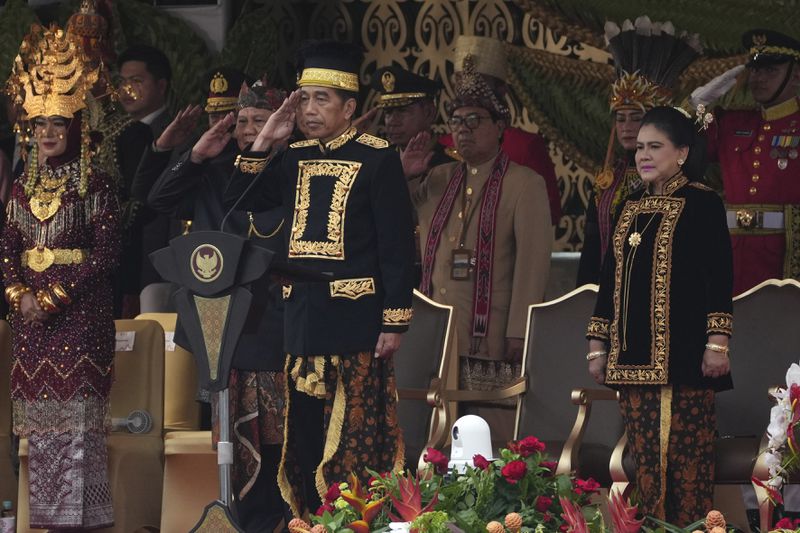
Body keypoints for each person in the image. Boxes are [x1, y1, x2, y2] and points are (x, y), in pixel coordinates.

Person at [217, 40, 415, 516]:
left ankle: (354, 521)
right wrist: (268, 136)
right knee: (302, 438)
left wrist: (395, 321)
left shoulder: (378, 157)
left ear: (349, 107)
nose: (309, 109)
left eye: (322, 99)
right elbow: (238, 198)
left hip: (355, 319)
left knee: (350, 438)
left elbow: (397, 246)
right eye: (304, 98)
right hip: (301, 318)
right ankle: (308, 521)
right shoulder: (294, 155)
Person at [149, 79, 288, 531]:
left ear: (281, 125)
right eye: (242, 122)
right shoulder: (216, 168)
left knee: (274, 436)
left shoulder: (290, 170)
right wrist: (194, 156)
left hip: (270, 320)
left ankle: (276, 516)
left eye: (259, 121)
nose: (249, 130)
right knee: (226, 433)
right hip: (218, 323)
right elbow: (158, 200)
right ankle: (235, 515)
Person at [586, 106, 733, 526]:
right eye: (640, 148)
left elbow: (718, 278)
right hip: (632, 362)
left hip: (684, 361)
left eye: (656, 147)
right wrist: (597, 345)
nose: (644, 156)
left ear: (682, 152)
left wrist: (717, 342)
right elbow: (608, 278)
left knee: (683, 468)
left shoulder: (702, 203)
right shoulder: (629, 205)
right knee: (646, 467)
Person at [2, 24, 121, 529]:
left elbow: (106, 255)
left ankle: (79, 524)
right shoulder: (19, 189)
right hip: (32, 325)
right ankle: (47, 523)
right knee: (41, 437)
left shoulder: (96, 185)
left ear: (77, 128)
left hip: (81, 318)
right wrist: (16, 294)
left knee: (77, 433)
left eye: (58, 123)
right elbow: (7, 249)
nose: (48, 133)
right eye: (40, 124)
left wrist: (51, 296)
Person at [403, 55, 552, 442]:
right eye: (457, 122)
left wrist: (521, 331)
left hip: (492, 332)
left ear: (500, 126)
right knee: (433, 430)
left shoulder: (524, 184)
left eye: (475, 121)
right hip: (439, 328)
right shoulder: (438, 177)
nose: (463, 131)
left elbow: (532, 266)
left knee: (492, 432)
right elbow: (395, 220)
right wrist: (405, 174)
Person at [577, 16, 702, 285]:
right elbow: (590, 255)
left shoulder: (680, 180)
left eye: (636, 117)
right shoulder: (607, 183)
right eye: (620, 119)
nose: (626, 126)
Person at [690, 30, 800, 294]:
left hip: (785, 257)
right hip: (732, 253)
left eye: (770, 71)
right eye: (754, 71)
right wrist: (696, 108)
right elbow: (682, 152)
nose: (758, 79)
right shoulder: (733, 123)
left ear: (796, 75)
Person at [438, 35, 562, 225]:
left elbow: (548, 212)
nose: (470, 89)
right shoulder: (442, 145)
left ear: (502, 90)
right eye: (464, 81)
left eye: (479, 82)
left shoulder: (526, 146)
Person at [116, 44, 173, 313]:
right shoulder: (115, 134)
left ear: (161, 86)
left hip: (157, 250)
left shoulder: (174, 133)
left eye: (136, 81)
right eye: (122, 82)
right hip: (123, 254)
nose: (127, 90)